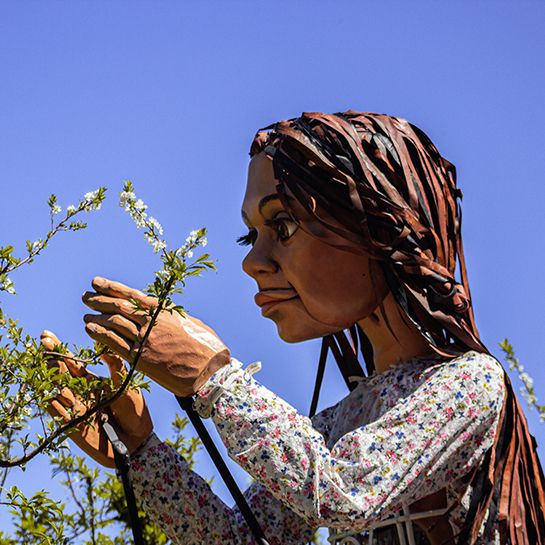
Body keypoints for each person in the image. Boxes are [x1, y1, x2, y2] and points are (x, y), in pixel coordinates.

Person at [42, 111, 545, 545]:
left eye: (282, 225)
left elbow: (344, 493)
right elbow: (244, 538)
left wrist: (214, 378)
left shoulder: (469, 384)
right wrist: (142, 450)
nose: (253, 262)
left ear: (381, 228)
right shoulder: (346, 418)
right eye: (250, 236)